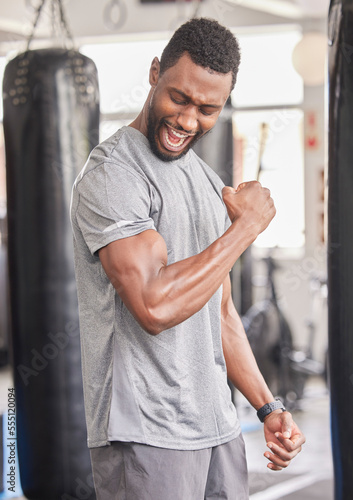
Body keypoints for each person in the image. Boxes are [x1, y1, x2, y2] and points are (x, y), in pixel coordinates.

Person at [71, 17, 305, 500]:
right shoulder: (114, 175)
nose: (187, 121)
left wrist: (267, 406)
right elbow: (154, 305)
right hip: (147, 435)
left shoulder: (203, 179)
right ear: (156, 72)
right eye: (179, 98)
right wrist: (245, 229)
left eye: (207, 109)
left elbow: (219, 312)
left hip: (218, 428)